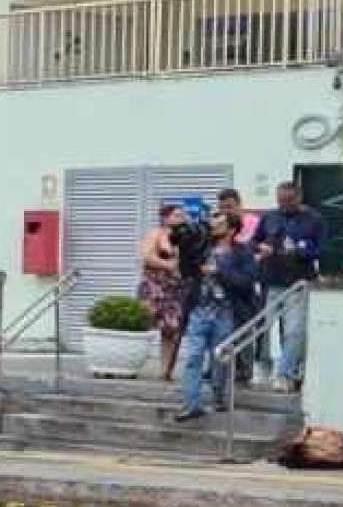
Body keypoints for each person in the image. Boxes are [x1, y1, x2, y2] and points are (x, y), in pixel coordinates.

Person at [171, 211, 259, 423]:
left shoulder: (242, 253)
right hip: (199, 310)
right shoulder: (202, 247)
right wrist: (181, 237)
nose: (213, 226)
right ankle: (191, 404)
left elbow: (247, 282)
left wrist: (219, 271)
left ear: (231, 229)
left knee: (220, 359)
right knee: (193, 358)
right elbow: (185, 271)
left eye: (219, 223)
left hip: (225, 312)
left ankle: (219, 395)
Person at [253, 180, 325, 391]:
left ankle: (285, 372)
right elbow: (253, 242)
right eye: (280, 200)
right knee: (264, 329)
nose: (283, 205)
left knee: (294, 331)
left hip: (298, 282)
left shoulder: (314, 219)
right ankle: (263, 366)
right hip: (270, 279)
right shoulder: (269, 217)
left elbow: (321, 249)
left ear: (298, 198)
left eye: (288, 201)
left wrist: (299, 251)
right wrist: (261, 247)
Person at [138, 204, 190, 382]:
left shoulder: (185, 237)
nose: (181, 218)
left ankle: (166, 369)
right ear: (166, 218)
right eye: (176, 215)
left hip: (176, 288)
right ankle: (136, 361)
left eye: (183, 215)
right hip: (155, 286)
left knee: (172, 329)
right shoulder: (156, 234)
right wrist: (167, 264)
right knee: (146, 322)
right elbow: (146, 256)